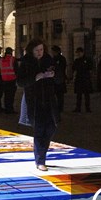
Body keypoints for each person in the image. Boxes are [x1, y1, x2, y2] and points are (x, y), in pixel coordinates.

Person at [16, 38, 60, 172]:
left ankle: (41, 156)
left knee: (51, 128)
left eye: (41, 49)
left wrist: (53, 75)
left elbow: (60, 78)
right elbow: (20, 82)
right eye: (37, 50)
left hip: (49, 100)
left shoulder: (48, 60)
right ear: (31, 50)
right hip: (34, 102)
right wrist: (36, 77)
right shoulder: (25, 62)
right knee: (39, 130)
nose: (40, 52)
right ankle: (40, 161)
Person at [72, 47, 93, 113]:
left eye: (79, 52)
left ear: (82, 52)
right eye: (77, 52)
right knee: (79, 95)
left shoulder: (87, 59)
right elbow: (74, 68)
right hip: (79, 79)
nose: (78, 54)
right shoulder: (77, 60)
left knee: (86, 95)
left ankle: (87, 108)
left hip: (85, 78)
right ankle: (78, 108)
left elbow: (90, 68)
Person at [50, 45, 68, 114]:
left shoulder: (61, 59)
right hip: (54, 79)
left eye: (53, 51)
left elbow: (61, 68)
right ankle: (56, 107)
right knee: (54, 95)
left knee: (60, 95)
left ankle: (60, 108)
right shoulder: (53, 58)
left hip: (59, 79)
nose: (52, 52)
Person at [0, 47, 18, 114]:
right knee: (11, 96)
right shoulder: (13, 59)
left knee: (6, 95)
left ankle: (7, 109)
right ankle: (10, 109)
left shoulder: (1, 60)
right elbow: (16, 70)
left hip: (4, 80)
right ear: (11, 52)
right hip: (12, 80)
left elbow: (0, 70)